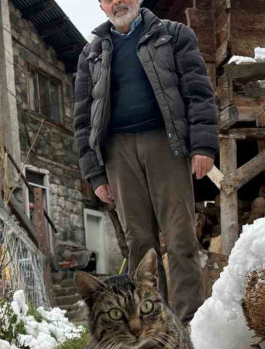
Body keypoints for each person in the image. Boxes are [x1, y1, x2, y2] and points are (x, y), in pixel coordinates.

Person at [74, 0, 218, 324]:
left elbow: (198, 92)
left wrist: (204, 145)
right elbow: (83, 119)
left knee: (180, 236)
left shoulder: (173, 35)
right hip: (117, 152)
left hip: (165, 143)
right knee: (139, 244)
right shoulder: (91, 54)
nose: (118, 2)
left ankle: (189, 323)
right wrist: (95, 175)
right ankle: (156, 323)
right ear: (101, 6)